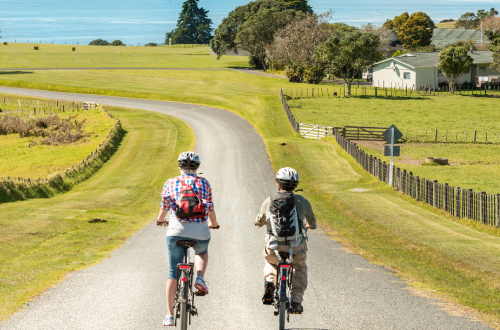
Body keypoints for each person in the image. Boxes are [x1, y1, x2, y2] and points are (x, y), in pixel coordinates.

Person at [157, 151, 219, 327]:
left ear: (179, 166)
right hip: (199, 231)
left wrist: (160, 220)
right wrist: (213, 224)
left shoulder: (171, 182)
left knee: (172, 273)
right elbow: (210, 208)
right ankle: (199, 278)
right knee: (202, 251)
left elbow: (164, 206)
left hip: (175, 232)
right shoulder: (204, 182)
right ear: (197, 167)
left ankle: (169, 315)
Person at [255, 167, 316, 314]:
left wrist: (259, 223)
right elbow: (312, 222)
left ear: (278, 184)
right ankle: (296, 302)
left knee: (271, 262)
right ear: (295, 185)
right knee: (299, 267)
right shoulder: (303, 201)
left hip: (274, 246)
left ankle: (270, 283)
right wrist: (309, 225)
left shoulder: (269, 201)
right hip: (296, 246)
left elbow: (259, 220)